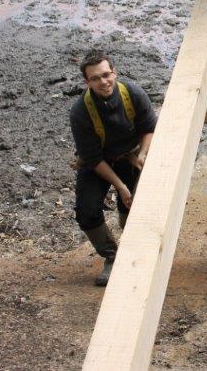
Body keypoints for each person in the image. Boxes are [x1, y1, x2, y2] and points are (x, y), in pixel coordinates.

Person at [69, 50, 157, 286]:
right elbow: (92, 157)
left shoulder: (134, 93)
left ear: (114, 73)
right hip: (97, 163)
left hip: (129, 156)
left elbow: (149, 127)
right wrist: (119, 186)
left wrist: (143, 154)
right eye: (95, 79)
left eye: (106, 75)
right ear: (87, 82)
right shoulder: (80, 112)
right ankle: (112, 256)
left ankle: (132, 250)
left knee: (133, 208)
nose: (103, 82)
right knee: (87, 211)